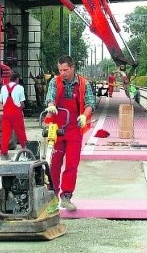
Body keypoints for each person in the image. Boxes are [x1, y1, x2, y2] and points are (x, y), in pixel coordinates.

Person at [44, 55, 96, 212]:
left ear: (72, 68)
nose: (62, 73)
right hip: (56, 129)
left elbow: (90, 103)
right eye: (60, 70)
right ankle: (51, 196)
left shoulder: (83, 84)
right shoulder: (55, 81)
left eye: (65, 70)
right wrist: (51, 105)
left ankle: (66, 196)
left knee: (72, 164)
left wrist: (84, 116)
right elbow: (50, 96)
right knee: (54, 164)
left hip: (74, 128)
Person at [0, 71, 28, 159]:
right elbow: (22, 103)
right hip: (16, 114)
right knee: (21, 133)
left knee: (5, 134)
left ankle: (4, 154)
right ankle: (26, 152)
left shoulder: (3, 88)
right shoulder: (20, 88)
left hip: (6, 114)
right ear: (17, 79)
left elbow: (1, 101)